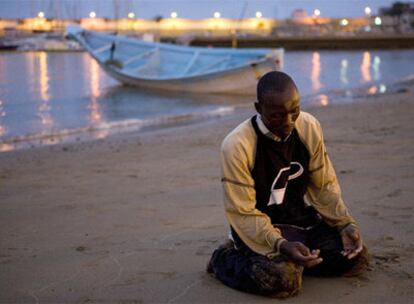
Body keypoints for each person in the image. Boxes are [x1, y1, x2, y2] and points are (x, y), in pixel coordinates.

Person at [207, 71, 369, 298]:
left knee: (356, 257)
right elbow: (242, 212)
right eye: (277, 116)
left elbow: (324, 186)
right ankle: (224, 258)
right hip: (259, 229)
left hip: (301, 223)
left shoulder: (309, 127)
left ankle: (297, 262)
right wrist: (281, 245)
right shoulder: (236, 145)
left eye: (294, 112)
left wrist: (344, 224)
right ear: (258, 108)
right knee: (284, 281)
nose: (288, 123)